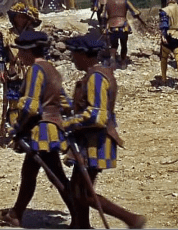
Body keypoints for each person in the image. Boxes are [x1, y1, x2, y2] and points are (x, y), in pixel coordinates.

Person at [0, 30, 76, 228]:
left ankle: (80, 218)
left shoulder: (36, 71)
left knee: (56, 176)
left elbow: (30, 106)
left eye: (21, 51)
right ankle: (16, 214)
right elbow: (65, 102)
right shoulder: (52, 69)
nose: (19, 55)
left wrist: (18, 126)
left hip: (42, 131)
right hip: (51, 128)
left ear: (29, 51)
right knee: (29, 172)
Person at [64, 35, 147, 230]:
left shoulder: (96, 78)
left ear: (84, 55)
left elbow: (97, 116)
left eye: (74, 54)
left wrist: (68, 122)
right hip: (89, 139)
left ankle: (131, 219)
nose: (72, 59)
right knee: (77, 187)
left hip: (96, 141)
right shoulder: (96, 74)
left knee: (84, 191)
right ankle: (81, 225)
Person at [0, 2, 41, 143]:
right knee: (14, 102)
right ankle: (14, 131)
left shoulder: (35, 35)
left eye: (23, 17)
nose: (20, 20)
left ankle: (30, 130)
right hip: (13, 71)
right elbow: (2, 55)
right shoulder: (7, 34)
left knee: (31, 102)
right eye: (18, 17)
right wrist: (2, 70)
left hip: (31, 71)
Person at [102, 0, 143, 67]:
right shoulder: (125, 0)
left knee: (113, 44)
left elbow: (104, 15)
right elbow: (135, 12)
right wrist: (138, 14)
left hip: (111, 26)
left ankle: (112, 58)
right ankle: (123, 62)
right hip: (123, 26)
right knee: (123, 44)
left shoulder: (108, 1)